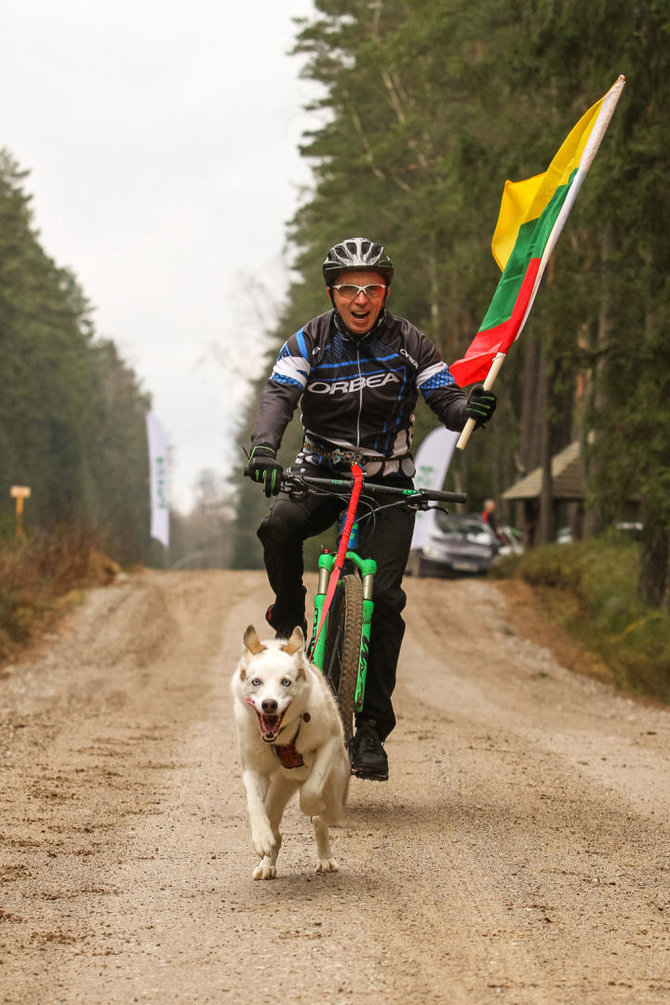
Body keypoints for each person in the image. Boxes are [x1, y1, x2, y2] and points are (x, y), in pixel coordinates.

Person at [245, 237, 496, 782]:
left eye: (372, 289)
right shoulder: (307, 340)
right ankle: (288, 612)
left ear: (385, 293)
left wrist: (465, 407)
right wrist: (265, 447)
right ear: (332, 294)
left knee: (383, 602)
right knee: (278, 526)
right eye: (349, 289)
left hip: (388, 482)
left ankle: (373, 732)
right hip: (321, 473)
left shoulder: (410, 341)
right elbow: (278, 399)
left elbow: (445, 399)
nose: (361, 299)